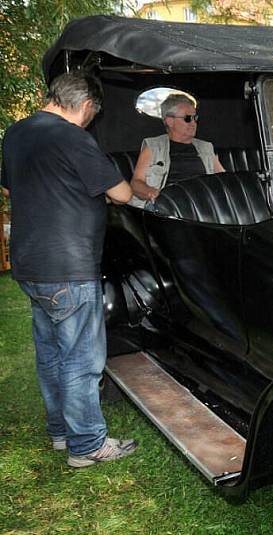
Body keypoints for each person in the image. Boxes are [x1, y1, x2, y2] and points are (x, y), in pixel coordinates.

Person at [0, 71, 139, 467]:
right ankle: (87, 445)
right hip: (68, 265)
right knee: (81, 358)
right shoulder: (73, 137)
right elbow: (122, 193)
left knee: (50, 354)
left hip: (29, 264)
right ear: (85, 106)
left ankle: (61, 431)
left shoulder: (17, 133)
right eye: (92, 114)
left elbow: (10, 188)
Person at [131, 93, 225, 202]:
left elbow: (222, 179)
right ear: (170, 121)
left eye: (195, 118)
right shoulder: (154, 146)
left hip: (203, 205)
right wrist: (156, 195)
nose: (194, 123)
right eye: (188, 118)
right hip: (170, 207)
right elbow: (136, 183)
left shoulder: (206, 147)